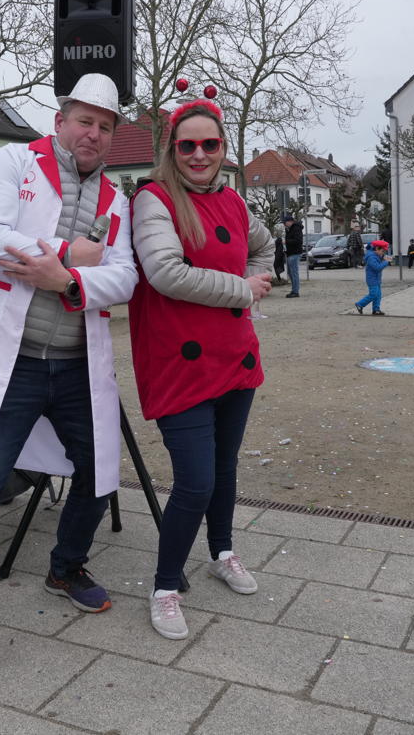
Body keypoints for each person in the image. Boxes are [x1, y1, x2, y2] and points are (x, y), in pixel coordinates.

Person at [0, 73, 138, 696]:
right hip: (7, 363)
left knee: (100, 474)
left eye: (105, 125)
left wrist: (63, 280)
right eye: (84, 120)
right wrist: (72, 257)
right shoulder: (13, 162)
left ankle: (65, 568)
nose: (93, 133)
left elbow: (124, 280)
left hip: (74, 363)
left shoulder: (117, 202)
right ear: (61, 117)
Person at [127, 98, 274, 640]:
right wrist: (244, 289)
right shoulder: (155, 199)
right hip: (180, 362)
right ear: (173, 148)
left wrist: (256, 285)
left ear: (223, 149)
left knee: (225, 467)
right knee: (195, 481)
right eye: (187, 144)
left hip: (233, 353)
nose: (198, 154)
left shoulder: (234, 201)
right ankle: (166, 586)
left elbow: (265, 245)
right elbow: (165, 272)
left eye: (209, 144)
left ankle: (223, 552)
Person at [354, 239, 393, 316]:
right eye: (382, 251)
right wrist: (386, 262)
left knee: (378, 295)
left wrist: (384, 259)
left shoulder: (376, 255)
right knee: (373, 294)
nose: (383, 253)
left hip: (376, 279)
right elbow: (377, 267)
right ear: (377, 249)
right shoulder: (371, 257)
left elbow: (379, 262)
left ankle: (376, 310)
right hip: (372, 279)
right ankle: (360, 304)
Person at [282, 214, 304, 297]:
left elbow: (298, 241)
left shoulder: (296, 228)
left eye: (285, 222)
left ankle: (295, 291)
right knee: (291, 273)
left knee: (294, 273)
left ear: (290, 222)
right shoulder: (289, 229)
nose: (284, 224)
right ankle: (294, 290)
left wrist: (286, 242)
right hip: (290, 253)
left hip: (295, 253)